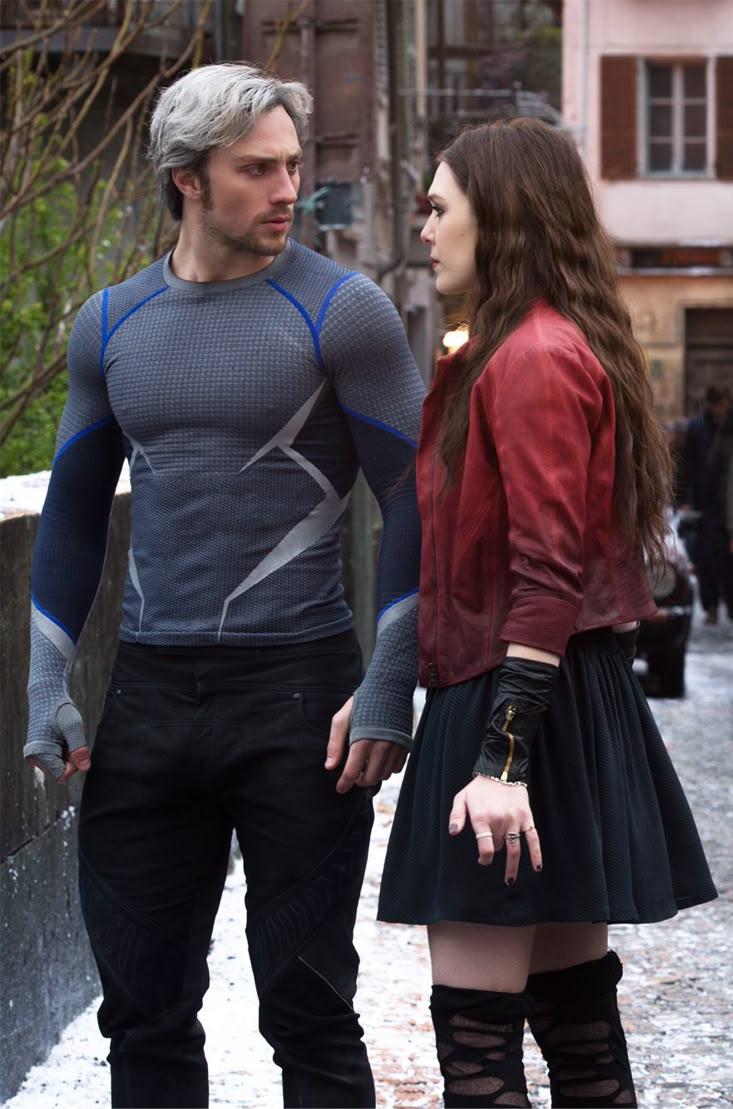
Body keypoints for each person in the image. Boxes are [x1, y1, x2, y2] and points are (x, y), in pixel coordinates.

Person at [24, 63, 425, 1109]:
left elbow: (419, 499)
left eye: (292, 164)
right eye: (257, 169)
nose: (288, 187)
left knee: (307, 1008)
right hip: (151, 698)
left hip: (301, 696)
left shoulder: (347, 313)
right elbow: (70, 510)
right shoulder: (109, 324)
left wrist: (390, 679)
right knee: (142, 1014)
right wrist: (46, 679)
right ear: (186, 178)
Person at [377, 118, 717, 1108]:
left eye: (441, 206)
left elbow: (544, 564)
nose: (426, 227)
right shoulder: (545, 344)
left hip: (517, 701)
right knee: (578, 1034)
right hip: (561, 700)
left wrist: (499, 757)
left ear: (502, 213)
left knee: (482, 1059)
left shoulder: (527, 355)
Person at [681, 385, 733, 622]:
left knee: (728, 557)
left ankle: (730, 604)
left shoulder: (731, 428)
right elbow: (687, 465)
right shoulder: (698, 428)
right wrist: (684, 499)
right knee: (707, 557)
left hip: (727, 500)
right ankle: (711, 605)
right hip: (707, 501)